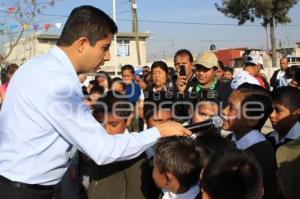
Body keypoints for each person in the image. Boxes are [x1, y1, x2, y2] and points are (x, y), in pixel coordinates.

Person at [0, 6, 190, 199]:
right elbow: (102, 149)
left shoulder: (36, 67)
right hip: (23, 191)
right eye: (105, 47)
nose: (107, 56)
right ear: (82, 44)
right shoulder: (58, 83)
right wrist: (159, 131)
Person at [89, 91, 152, 199]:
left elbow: (136, 193)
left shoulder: (134, 152)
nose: (106, 131)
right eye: (101, 124)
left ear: (128, 119)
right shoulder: (96, 142)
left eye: (113, 124)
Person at [222, 83, 279, 199]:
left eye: (232, 108)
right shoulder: (228, 141)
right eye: (227, 104)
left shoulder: (261, 155)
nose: (224, 111)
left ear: (252, 120)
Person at [266, 86, 300, 151]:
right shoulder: (269, 137)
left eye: (278, 110)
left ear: (296, 114)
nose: (271, 115)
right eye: (271, 109)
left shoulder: (297, 143)